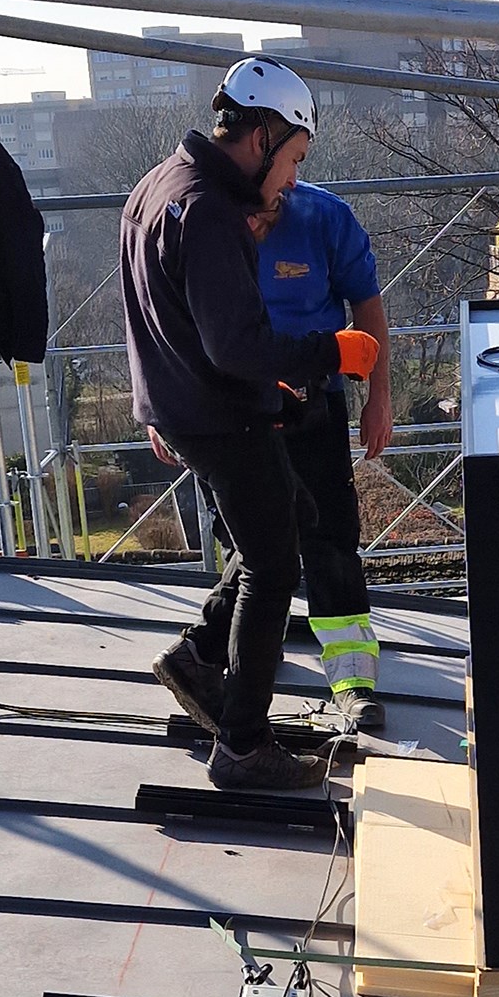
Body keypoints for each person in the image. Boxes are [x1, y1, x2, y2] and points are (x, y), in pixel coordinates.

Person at [121, 57, 380, 791]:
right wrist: (330, 351)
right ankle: (241, 743)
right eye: (293, 160)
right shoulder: (205, 209)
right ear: (262, 136)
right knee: (273, 564)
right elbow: (236, 345)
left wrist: (157, 404)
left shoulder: (156, 186)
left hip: (186, 408)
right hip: (222, 415)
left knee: (290, 516)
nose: (293, 179)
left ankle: (200, 655)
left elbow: (157, 320)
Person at [153, 182, 393, 730]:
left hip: (314, 401)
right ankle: (233, 660)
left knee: (329, 535)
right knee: (253, 538)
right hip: (238, 409)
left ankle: (350, 676)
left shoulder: (324, 219)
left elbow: (369, 311)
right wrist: (161, 408)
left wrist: (378, 398)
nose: (259, 229)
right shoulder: (204, 227)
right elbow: (163, 322)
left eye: (266, 219)